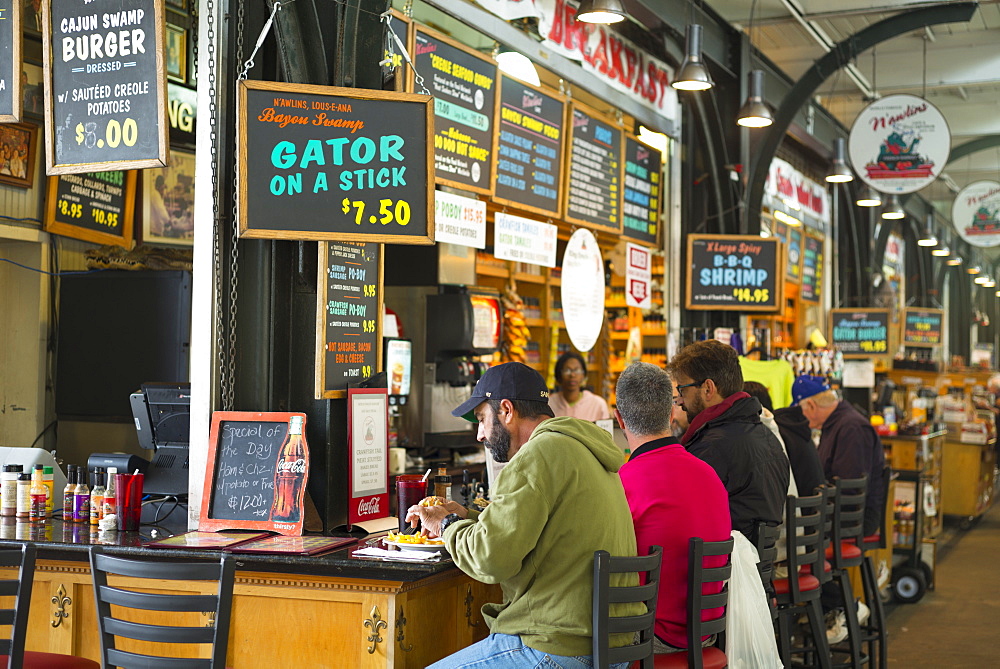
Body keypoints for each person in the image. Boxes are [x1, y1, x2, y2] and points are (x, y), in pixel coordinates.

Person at [406, 362, 639, 669]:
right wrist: (470, 516)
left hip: (557, 645)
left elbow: (490, 560)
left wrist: (444, 524)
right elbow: (544, 525)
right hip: (610, 647)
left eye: (481, 419)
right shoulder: (580, 447)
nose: (479, 435)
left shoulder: (538, 454)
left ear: (506, 410)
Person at [615, 362, 731, 654]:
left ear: (619, 420)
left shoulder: (622, 483)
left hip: (653, 639)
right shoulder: (709, 474)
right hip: (708, 635)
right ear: (670, 414)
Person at [666, 339, 789, 544]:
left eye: (683, 390)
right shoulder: (768, 436)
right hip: (755, 570)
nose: (679, 400)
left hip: (724, 570)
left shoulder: (712, 448)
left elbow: (680, 519)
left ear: (708, 389)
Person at [794, 375, 885, 535]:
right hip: (841, 514)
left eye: (801, 411)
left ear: (811, 405)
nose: (802, 418)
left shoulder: (851, 428)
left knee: (792, 531)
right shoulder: (836, 424)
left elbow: (849, 488)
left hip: (853, 520)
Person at [548, 351, 611, 421]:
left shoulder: (598, 404)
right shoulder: (549, 404)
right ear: (559, 375)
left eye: (577, 370)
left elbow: (606, 431)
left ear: (583, 375)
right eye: (567, 370)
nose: (572, 375)